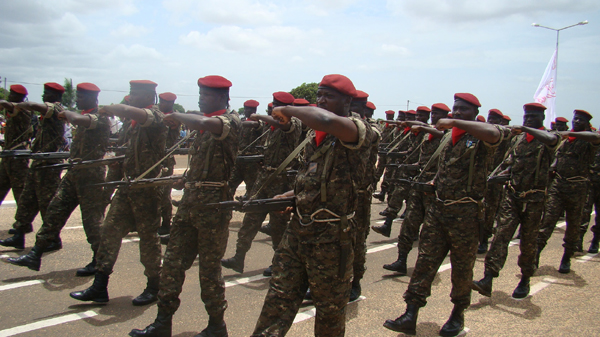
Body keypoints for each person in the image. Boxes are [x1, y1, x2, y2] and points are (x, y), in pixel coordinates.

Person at [251, 74, 375, 337]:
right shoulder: (314, 135)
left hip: (331, 238)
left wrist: (285, 108)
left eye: (329, 95)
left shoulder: (358, 130)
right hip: (298, 232)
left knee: (329, 313)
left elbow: (326, 119)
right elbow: (312, 180)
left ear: (347, 101)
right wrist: (291, 196)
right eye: (319, 95)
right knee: (277, 299)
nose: (321, 100)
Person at [384, 93, 508, 337]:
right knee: (424, 263)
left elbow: (495, 134)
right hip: (438, 212)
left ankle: (457, 314)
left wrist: (457, 123)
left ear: (474, 113)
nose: (458, 113)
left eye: (463, 110)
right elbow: (446, 169)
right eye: (456, 109)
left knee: (461, 269)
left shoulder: (481, 137)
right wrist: (434, 182)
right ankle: (411, 314)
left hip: (466, 216)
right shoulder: (449, 139)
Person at [129, 75, 240, 337]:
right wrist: (186, 178)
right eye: (200, 94)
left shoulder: (230, 122)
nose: (201, 99)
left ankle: (216, 326)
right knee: (173, 265)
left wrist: (176, 116)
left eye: (207, 95)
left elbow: (203, 122)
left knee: (209, 272)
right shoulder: (204, 128)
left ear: (223, 98)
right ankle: (162, 323)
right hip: (191, 205)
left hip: (213, 208)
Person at [69, 80, 168, 306]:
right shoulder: (132, 124)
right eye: (130, 93)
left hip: (147, 189)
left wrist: (106, 108)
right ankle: (99, 286)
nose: (130, 97)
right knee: (109, 232)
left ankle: (154, 286)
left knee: (148, 240)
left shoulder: (155, 117)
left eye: (134, 93)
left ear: (148, 97)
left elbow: (123, 109)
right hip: (128, 187)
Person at [7, 83, 110, 276]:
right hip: (74, 173)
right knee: (54, 211)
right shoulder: (85, 114)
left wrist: (67, 114)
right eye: (77, 96)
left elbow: (79, 119)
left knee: (92, 223)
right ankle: (35, 254)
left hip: (91, 176)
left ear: (93, 98)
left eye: (81, 96)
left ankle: (100, 262)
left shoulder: (100, 118)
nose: (78, 99)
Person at [472, 103, 559, 299]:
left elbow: (552, 140)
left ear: (542, 118)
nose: (528, 119)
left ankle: (525, 278)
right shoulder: (518, 140)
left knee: (528, 242)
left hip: (534, 200)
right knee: (501, 236)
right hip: (512, 196)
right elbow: (511, 163)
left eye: (533, 117)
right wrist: (500, 176)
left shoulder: (549, 138)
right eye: (526, 116)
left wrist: (527, 128)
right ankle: (488, 278)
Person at [221, 91, 300, 277]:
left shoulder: (294, 123)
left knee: (278, 226)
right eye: (273, 105)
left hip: (281, 182)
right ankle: (238, 258)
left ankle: (279, 262)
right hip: (264, 179)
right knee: (250, 219)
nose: (273, 108)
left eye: (277, 105)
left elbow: (282, 123)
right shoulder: (271, 129)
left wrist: (261, 116)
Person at [382, 102, 450, 274]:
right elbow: (421, 160)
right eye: (433, 113)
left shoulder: (447, 135)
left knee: (429, 231)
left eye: (438, 114)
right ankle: (401, 260)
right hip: (419, 185)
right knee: (408, 224)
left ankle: (426, 267)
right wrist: (407, 166)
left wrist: (421, 126)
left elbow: (445, 162)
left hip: (434, 191)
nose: (434, 116)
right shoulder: (427, 135)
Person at [0, 83, 66, 251]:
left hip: (48, 165)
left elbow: (32, 105)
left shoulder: (56, 109)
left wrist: (20, 104)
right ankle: (19, 234)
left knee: (46, 203)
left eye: (46, 93)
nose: (43, 96)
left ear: (55, 96)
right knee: (26, 201)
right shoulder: (47, 110)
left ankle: (53, 239)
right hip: (37, 162)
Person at [536, 109, 600, 274]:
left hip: (577, 189)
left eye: (579, 120)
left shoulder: (589, 140)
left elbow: (596, 138)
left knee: (573, 225)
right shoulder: (566, 140)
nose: (576, 122)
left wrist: (575, 134)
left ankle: (566, 257)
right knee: (547, 221)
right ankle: (535, 254)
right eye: (575, 119)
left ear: (586, 123)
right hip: (558, 186)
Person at [478, 108, 510, 254]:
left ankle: (484, 239)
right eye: (489, 118)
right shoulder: (483, 133)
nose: (491, 121)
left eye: (494, 119)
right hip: (480, 177)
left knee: (489, 211)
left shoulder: (503, 135)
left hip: (494, 179)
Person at [0, 85, 33, 210]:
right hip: (8, 155)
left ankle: (23, 222)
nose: (9, 97)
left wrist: (3, 102)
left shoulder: (23, 110)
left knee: (20, 191)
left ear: (19, 97)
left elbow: (7, 105)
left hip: (18, 157)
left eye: (12, 95)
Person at [228, 99, 263, 200]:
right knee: (230, 184)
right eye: (246, 109)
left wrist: (236, 123)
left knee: (252, 187)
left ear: (255, 110)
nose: (247, 111)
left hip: (251, 162)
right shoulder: (242, 122)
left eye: (250, 109)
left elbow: (254, 125)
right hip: (238, 160)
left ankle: (250, 207)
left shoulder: (258, 123)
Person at [157, 92, 180, 237]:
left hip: (165, 160)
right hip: (153, 160)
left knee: (164, 194)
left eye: (165, 102)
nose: (161, 104)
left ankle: (166, 223)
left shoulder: (173, 119)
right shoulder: (158, 114)